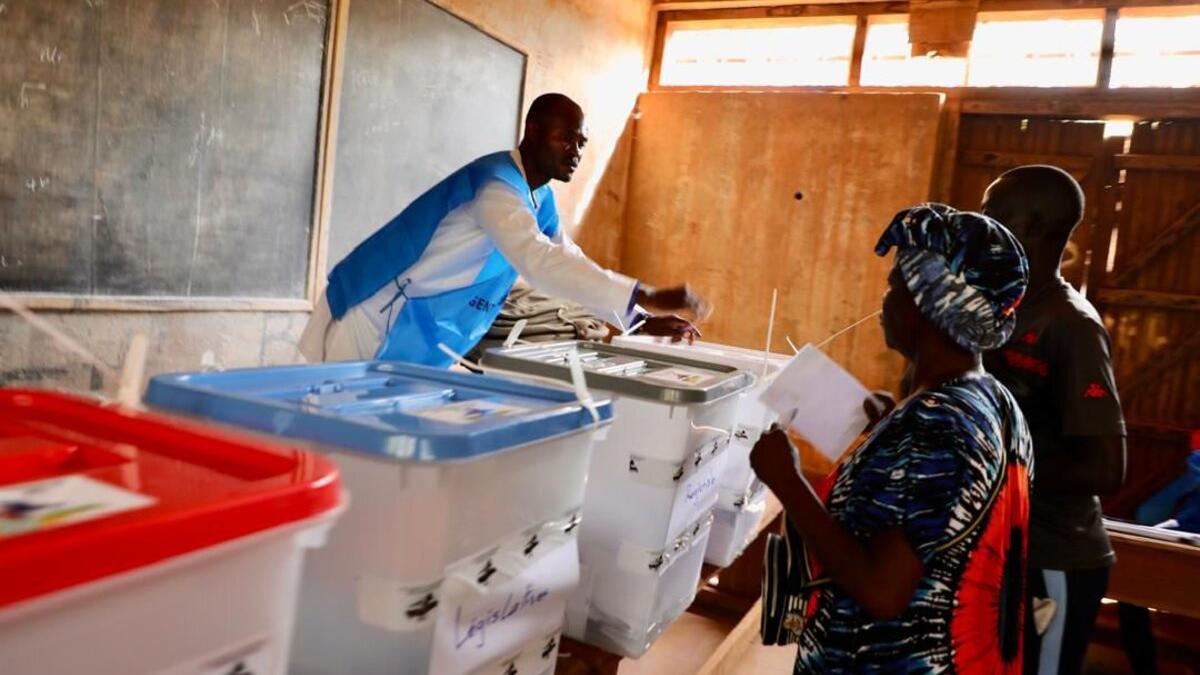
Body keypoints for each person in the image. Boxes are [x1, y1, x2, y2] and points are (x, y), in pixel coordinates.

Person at [752, 204, 1033, 672]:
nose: (884, 302)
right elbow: (935, 522)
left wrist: (787, 483)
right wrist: (889, 433)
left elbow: (882, 592)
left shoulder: (936, 423)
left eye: (895, 287)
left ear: (926, 305)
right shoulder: (993, 401)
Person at [299, 93, 707, 366]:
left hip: (420, 328)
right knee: (330, 437)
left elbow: (567, 260)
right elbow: (538, 261)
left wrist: (637, 319)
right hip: (378, 317)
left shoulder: (539, 199)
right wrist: (646, 293)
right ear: (532, 131)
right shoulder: (494, 184)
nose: (576, 151)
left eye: (581, 143)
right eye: (566, 138)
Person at [980, 165, 1127, 675]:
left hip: (1054, 557)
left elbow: (1106, 468)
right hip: (1000, 550)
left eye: (995, 214)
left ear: (1035, 228)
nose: (982, 223)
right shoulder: (1002, 310)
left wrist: (999, 465)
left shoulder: (1072, 326)